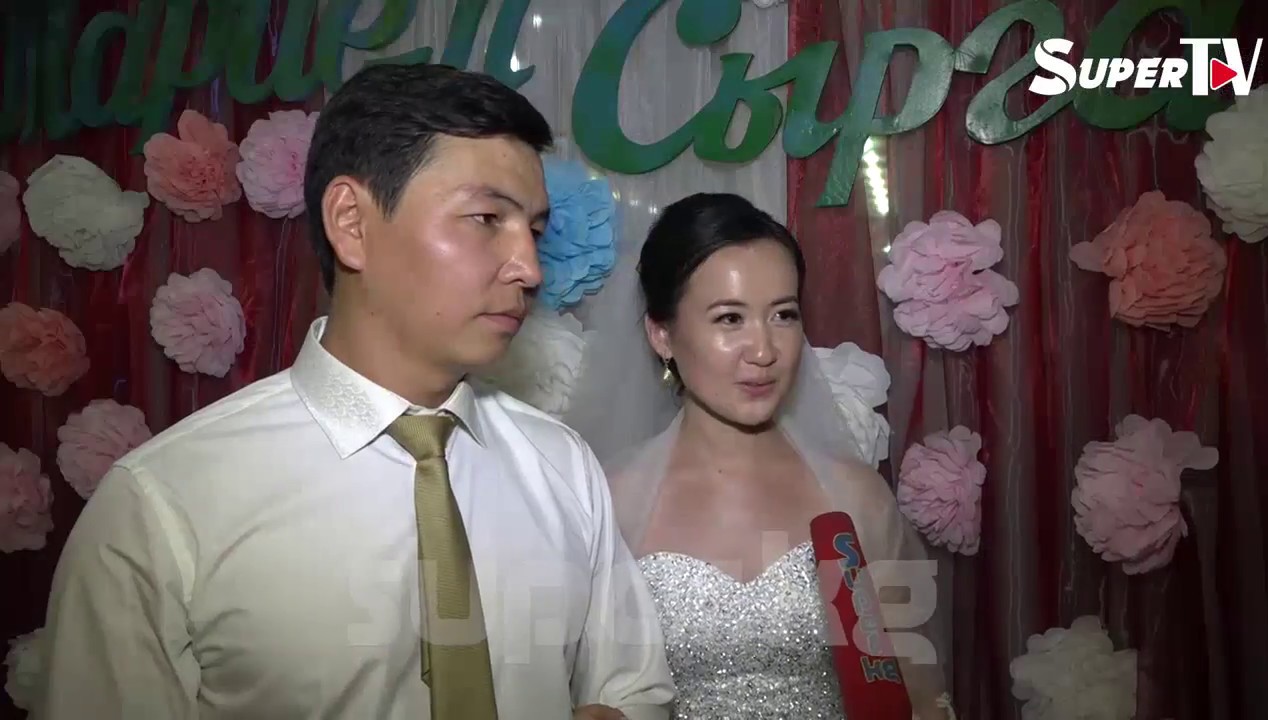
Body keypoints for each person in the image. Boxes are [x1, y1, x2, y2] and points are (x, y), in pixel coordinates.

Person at [37, 64, 673, 720]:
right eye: (487, 218)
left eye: (534, 232)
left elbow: (634, 688)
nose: (530, 268)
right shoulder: (163, 504)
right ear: (351, 223)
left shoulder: (562, 465)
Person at [563, 193, 954, 720]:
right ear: (662, 334)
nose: (765, 351)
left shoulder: (855, 495)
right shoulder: (605, 500)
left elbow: (916, 697)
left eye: (784, 315)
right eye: (730, 318)